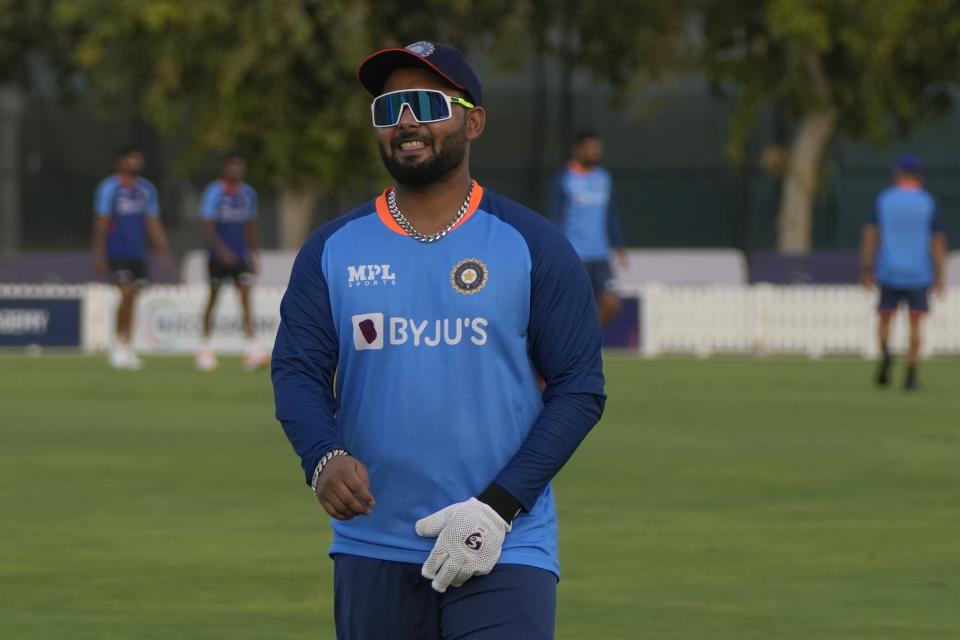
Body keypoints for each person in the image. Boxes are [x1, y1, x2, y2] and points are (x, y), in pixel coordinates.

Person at [272, 41, 605, 639]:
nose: (405, 120)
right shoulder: (331, 250)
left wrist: (497, 507)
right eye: (389, 106)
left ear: (472, 121)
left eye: (426, 103)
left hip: (507, 542)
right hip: (373, 543)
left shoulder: (534, 245)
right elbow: (297, 371)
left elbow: (579, 388)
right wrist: (321, 455)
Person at [860, 154, 947, 390]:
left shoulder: (884, 200)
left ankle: (887, 354)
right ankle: (911, 375)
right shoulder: (928, 202)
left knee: (885, 317)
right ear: (919, 176)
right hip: (918, 272)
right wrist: (940, 276)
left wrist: (867, 269)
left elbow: (870, 235)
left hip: (888, 270)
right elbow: (936, 241)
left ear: (897, 174)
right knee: (916, 324)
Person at [92, 144, 172, 369]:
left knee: (133, 296)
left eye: (138, 158)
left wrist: (163, 250)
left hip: (138, 252)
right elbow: (101, 222)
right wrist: (99, 252)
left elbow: (153, 222)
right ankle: (117, 345)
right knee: (126, 293)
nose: (136, 162)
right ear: (120, 161)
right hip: (116, 250)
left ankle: (127, 346)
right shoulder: (109, 188)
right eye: (131, 158)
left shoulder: (146, 190)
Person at [195, 153, 265, 371]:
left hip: (240, 256)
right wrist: (221, 251)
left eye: (240, 166)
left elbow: (249, 225)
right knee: (213, 298)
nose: (237, 170)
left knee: (245, 298)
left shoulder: (248, 193)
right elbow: (208, 225)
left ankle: (251, 349)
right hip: (218, 257)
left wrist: (253, 254)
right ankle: (204, 348)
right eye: (233, 166)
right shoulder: (214, 192)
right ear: (225, 168)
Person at [550, 131, 627, 328]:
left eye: (598, 148)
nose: (596, 152)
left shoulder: (603, 178)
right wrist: (558, 249)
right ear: (579, 149)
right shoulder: (565, 178)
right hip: (576, 254)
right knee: (575, 306)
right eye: (591, 148)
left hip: (600, 254)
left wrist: (618, 245)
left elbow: (611, 214)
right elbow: (557, 216)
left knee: (611, 303)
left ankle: (591, 342)